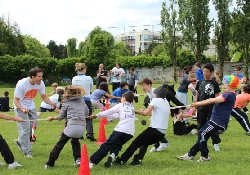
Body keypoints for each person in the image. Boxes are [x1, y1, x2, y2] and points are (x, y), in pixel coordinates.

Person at [178, 75, 239, 162]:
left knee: (202, 133)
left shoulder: (229, 95)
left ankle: (205, 157)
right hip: (214, 120)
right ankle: (190, 154)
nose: (223, 85)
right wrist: (195, 104)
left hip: (217, 122)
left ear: (230, 84)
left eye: (225, 83)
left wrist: (196, 104)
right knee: (203, 135)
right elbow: (211, 99)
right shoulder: (228, 94)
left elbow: (211, 101)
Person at [116, 86, 170, 166]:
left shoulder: (155, 100)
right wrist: (143, 111)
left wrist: (135, 111)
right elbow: (153, 113)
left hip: (154, 130)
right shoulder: (166, 101)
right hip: (162, 133)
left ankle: (122, 160)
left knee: (135, 143)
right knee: (144, 143)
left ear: (156, 94)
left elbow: (145, 113)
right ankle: (138, 160)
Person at [13, 67, 56, 158]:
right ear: (32, 77)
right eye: (39, 76)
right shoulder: (22, 84)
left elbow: (44, 97)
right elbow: (16, 100)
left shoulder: (41, 83)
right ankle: (27, 152)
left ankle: (20, 141)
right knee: (25, 129)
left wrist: (51, 103)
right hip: (20, 107)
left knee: (33, 126)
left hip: (31, 106)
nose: (41, 78)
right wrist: (22, 109)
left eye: (42, 76)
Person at [45, 86, 89, 169]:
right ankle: (78, 160)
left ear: (67, 94)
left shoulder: (66, 103)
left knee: (59, 145)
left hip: (72, 127)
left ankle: (50, 163)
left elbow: (61, 116)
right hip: (82, 128)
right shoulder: (82, 101)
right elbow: (86, 113)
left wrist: (52, 118)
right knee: (75, 141)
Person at [88, 91, 135, 168]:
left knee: (107, 145)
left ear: (124, 98)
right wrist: (106, 116)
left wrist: (96, 115)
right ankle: (112, 155)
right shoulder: (131, 107)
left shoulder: (120, 105)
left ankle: (92, 161)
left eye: (122, 97)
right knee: (118, 144)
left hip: (120, 130)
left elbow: (109, 112)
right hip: (130, 132)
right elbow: (117, 116)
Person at [194, 63, 221, 151]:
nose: (205, 73)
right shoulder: (200, 82)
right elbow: (197, 94)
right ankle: (200, 142)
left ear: (211, 72)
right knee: (200, 126)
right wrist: (195, 105)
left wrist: (217, 108)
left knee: (212, 126)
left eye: (207, 71)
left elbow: (217, 96)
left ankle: (216, 143)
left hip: (212, 109)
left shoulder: (214, 83)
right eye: (204, 71)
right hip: (201, 108)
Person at [72, 63, 95, 142]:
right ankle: (90, 133)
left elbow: (73, 89)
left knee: (79, 117)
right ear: (84, 69)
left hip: (78, 99)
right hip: (87, 99)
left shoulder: (74, 78)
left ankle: (79, 134)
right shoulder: (89, 78)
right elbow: (91, 88)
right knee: (89, 117)